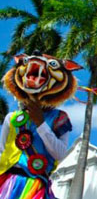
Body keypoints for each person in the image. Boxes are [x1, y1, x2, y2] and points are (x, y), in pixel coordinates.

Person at [0, 52, 82, 198]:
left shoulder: (59, 118)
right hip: (5, 183)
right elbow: (2, 152)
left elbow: (60, 153)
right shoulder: (11, 118)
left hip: (35, 186)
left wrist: (40, 123)